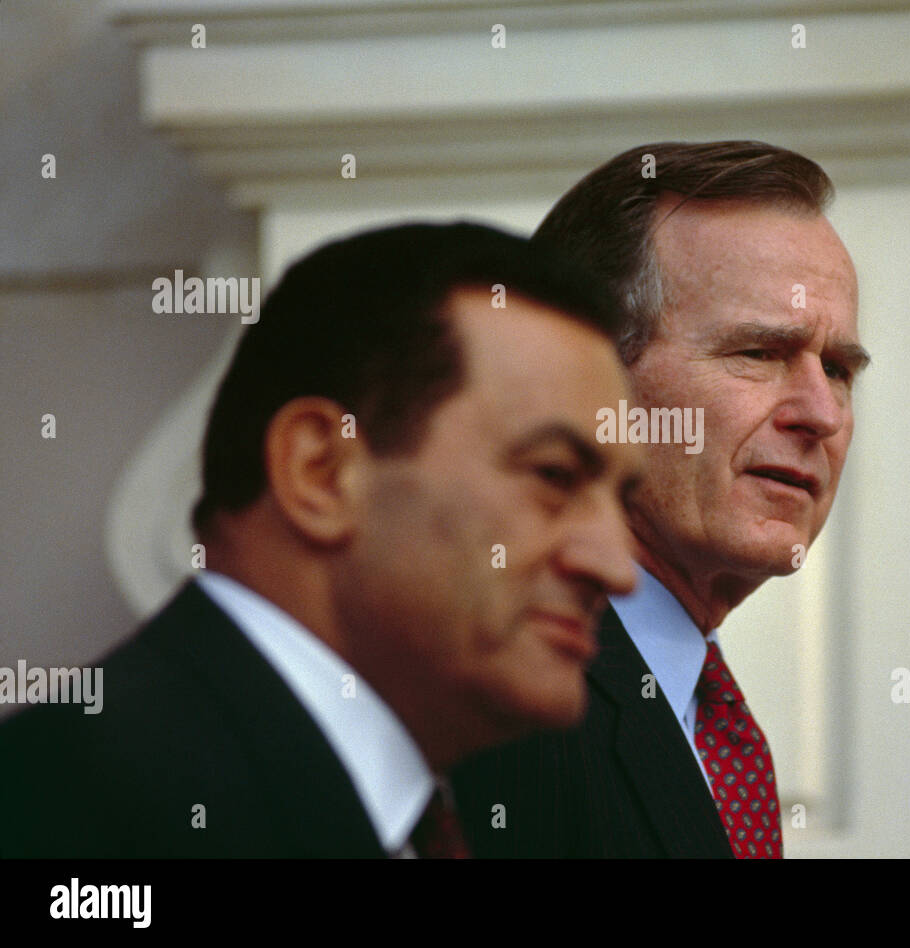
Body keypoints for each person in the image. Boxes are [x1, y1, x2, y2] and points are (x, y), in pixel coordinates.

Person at [0, 222, 644, 857]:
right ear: (321, 473)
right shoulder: (65, 813)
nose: (617, 568)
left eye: (622, 500)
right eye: (554, 475)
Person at [452, 142, 868, 858]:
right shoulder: (491, 710)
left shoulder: (697, 711)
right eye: (760, 353)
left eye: (836, 369)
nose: (821, 414)